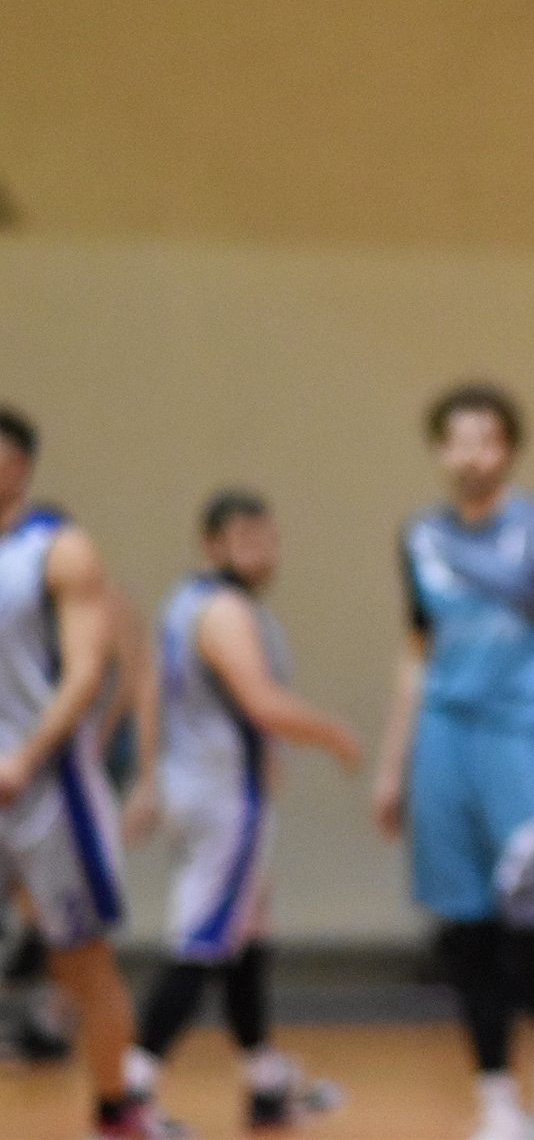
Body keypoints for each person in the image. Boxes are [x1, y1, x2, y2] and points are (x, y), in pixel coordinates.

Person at [371, 384, 534, 1140]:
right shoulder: (420, 537)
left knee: (533, 927)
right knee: (465, 930)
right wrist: (393, 765)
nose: (471, 454)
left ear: (509, 447)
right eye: (457, 439)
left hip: (526, 743)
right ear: (439, 449)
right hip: (444, 743)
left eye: (486, 439)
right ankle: (496, 1100)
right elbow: (417, 653)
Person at [122, 490, 361, 1128]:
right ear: (212, 544)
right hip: (225, 799)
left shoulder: (183, 602)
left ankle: (265, 1083)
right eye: (246, 539)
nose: (261, 552)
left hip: (196, 789)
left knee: (247, 935)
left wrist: (149, 782)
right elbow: (262, 703)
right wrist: (334, 734)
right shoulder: (226, 611)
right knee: (199, 942)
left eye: (268, 538)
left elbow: (152, 692)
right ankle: (131, 1092)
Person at [0, 405, 181, 1138]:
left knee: (80, 959)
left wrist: (25, 758)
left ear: (17, 465)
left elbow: (88, 674)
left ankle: (117, 1108)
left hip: (47, 788)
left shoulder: (59, 551)